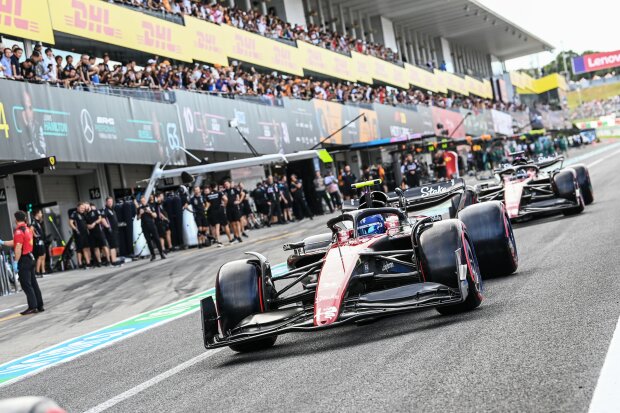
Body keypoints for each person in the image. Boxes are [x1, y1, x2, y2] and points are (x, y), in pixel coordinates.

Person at [0, 211, 44, 315]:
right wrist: (3, 242)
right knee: (33, 283)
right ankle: (39, 305)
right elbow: (16, 242)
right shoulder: (27, 229)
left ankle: (33, 307)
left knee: (26, 284)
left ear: (16, 219)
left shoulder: (18, 231)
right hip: (30, 257)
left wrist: (15, 261)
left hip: (24, 259)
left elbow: (18, 247)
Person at [138, 195, 166, 261]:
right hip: (144, 226)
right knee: (148, 241)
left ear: (145, 200)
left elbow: (155, 216)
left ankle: (161, 253)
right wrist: (140, 214)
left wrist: (150, 211)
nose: (143, 202)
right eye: (142, 201)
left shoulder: (150, 206)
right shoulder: (139, 208)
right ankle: (153, 255)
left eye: (144, 201)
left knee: (157, 239)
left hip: (151, 225)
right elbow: (137, 218)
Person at [69, 202, 91, 268]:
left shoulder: (83, 214)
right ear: (77, 207)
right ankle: (80, 263)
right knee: (79, 248)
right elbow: (70, 222)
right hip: (78, 233)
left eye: (83, 208)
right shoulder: (74, 214)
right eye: (81, 208)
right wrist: (75, 229)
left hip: (85, 233)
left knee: (86, 247)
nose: (82, 209)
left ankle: (88, 262)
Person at [102, 197, 120, 265]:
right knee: (112, 245)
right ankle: (113, 261)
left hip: (115, 230)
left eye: (111, 201)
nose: (110, 203)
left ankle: (114, 259)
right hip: (110, 231)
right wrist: (107, 226)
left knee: (114, 245)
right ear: (106, 202)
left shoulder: (112, 210)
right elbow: (102, 219)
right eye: (109, 201)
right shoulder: (105, 210)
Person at [30, 209, 47, 277]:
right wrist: (35, 235)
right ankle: (37, 272)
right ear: (37, 214)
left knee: (44, 255)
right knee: (40, 256)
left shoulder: (38, 222)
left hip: (41, 241)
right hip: (38, 241)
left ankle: (43, 271)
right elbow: (31, 229)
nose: (41, 214)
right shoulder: (34, 221)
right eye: (40, 213)